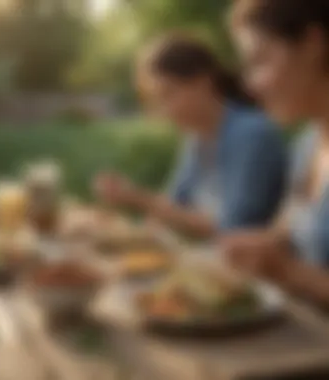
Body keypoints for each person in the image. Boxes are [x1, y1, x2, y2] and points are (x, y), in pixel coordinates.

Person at [94, 33, 287, 240]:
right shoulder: (197, 138)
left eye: (168, 94)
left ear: (203, 82)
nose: (163, 112)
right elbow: (175, 206)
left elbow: (233, 228)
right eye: (157, 100)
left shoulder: (251, 134)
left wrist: (141, 200)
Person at [222, 0, 329, 304]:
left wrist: (289, 271)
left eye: (260, 61)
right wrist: (253, 246)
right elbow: (286, 235)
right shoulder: (306, 145)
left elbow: (289, 266)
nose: (251, 85)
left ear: (312, 44)